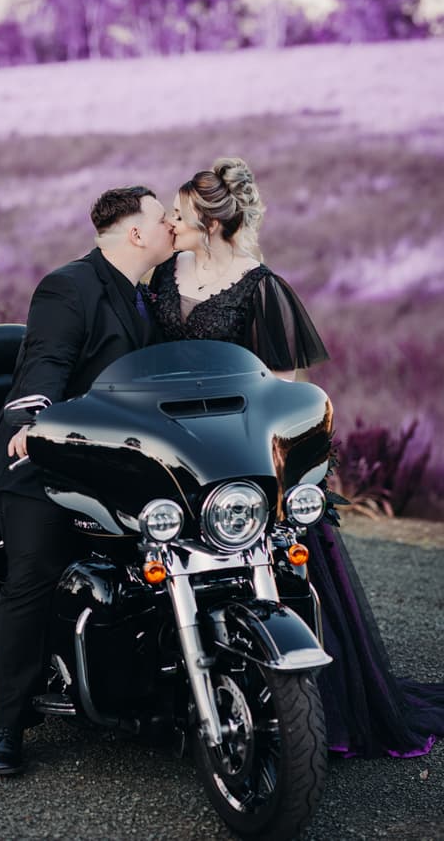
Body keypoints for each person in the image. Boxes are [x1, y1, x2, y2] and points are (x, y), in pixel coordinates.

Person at [149, 157, 444, 758]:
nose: (170, 224)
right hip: (167, 441)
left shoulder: (261, 287)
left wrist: (275, 468)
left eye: (179, 215)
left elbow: (281, 389)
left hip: (235, 446)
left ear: (209, 222)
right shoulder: (163, 273)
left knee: (284, 564)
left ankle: (311, 707)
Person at [0, 186, 174, 775]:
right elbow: (47, 361)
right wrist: (32, 420)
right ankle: (7, 725)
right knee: (34, 578)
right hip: (45, 459)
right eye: (161, 216)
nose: (171, 224)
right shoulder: (70, 286)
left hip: (119, 461)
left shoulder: (148, 294)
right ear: (134, 233)